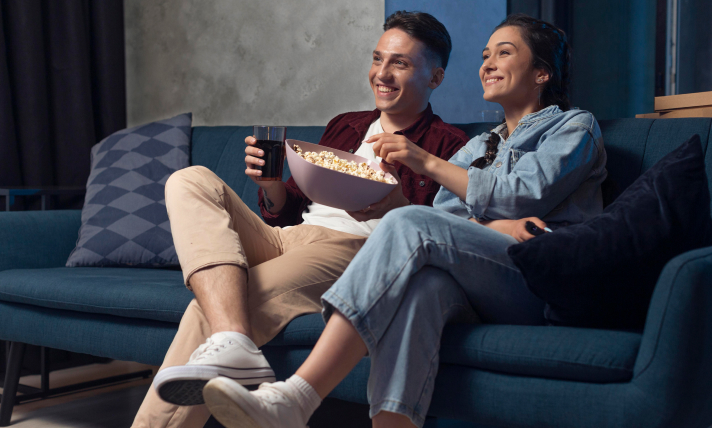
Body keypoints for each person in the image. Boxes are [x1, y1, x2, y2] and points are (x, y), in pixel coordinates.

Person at [201, 13, 608, 428]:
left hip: (539, 277)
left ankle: (296, 396)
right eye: (485, 54)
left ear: (542, 72)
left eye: (504, 53)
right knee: (422, 289)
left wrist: (425, 161)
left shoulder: (574, 126)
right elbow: (445, 215)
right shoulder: (480, 144)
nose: (487, 63)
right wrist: (493, 228)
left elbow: (522, 193)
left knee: (406, 222)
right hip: (480, 275)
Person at [131, 10, 471, 428]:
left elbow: (440, 235)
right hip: (288, 237)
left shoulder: (449, 147)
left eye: (400, 63)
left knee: (211, 307)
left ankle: (222, 343)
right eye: (378, 58)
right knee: (189, 180)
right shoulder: (345, 126)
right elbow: (289, 205)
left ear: (434, 78)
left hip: (354, 251)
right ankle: (232, 340)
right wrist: (272, 184)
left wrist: (398, 202)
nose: (382, 73)